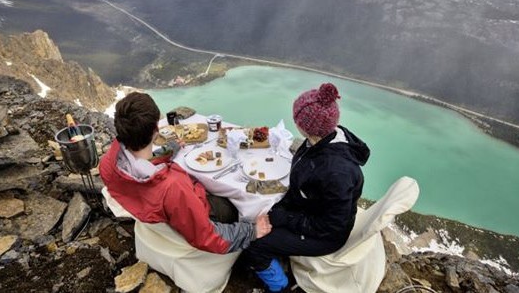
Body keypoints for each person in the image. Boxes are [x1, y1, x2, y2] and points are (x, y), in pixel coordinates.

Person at [100, 91, 271, 254]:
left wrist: (169, 150)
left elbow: (143, 164)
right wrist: (252, 231)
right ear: (156, 129)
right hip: (189, 208)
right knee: (233, 203)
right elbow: (208, 237)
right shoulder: (173, 188)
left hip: (153, 205)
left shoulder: (108, 163)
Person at [241, 83, 370, 292]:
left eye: (296, 117)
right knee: (261, 215)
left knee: (254, 244)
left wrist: (284, 218)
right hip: (309, 211)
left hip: (325, 236)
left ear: (304, 125)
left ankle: (283, 286)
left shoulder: (337, 172)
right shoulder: (323, 139)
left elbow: (331, 226)